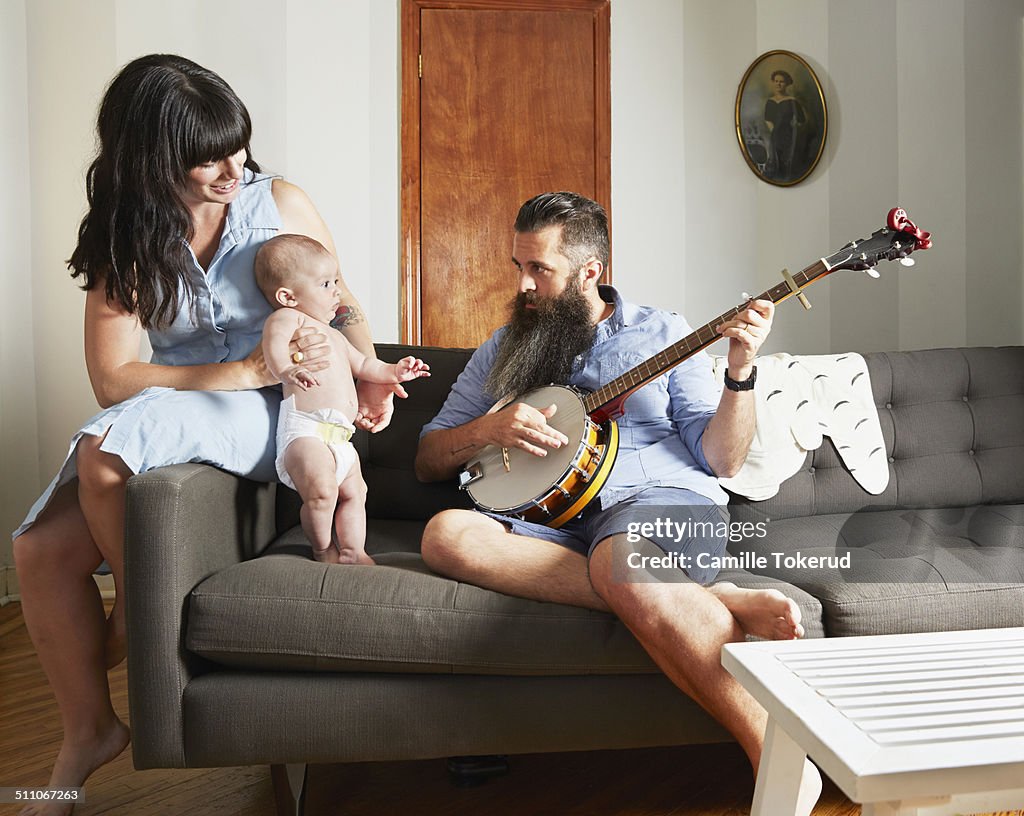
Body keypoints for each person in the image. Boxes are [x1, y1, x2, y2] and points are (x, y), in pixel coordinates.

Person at [11, 54, 399, 815]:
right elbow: (114, 378)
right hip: (197, 398)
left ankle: (135, 602)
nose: (236, 167)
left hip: (279, 412)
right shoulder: (126, 238)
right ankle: (86, 733)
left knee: (105, 449)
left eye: (239, 146)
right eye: (210, 156)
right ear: (153, 158)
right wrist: (237, 370)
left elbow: (340, 300)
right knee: (38, 550)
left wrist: (369, 368)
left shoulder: (280, 202)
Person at [414, 192, 822, 815]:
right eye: (518, 266)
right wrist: (488, 431)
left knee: (620, 557)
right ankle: (715, 600)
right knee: (445, 535)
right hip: (544, 525)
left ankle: (780, 756)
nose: (523, 285)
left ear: (590, 273)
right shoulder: (504, 348)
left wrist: (739, 371)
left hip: (657, 504)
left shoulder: (664, 334)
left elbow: (723, 460)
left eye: (539, 270)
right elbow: (428, 457)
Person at [255, 234, 429, 564]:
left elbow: (364, 365)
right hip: (306, 433)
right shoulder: (287, 319)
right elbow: (274, 347)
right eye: (325, 284)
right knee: (322, 494)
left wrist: (395, 371)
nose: (336, 290)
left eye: (335, 281)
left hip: (341, 439)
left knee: (355, 493)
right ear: (287, 296)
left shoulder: (335, 334)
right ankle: (323, 549)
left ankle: (353, 550)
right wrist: (285, 371)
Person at [764, 69, 806, 181]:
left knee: (787, 162)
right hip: (774, 136)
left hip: (789, 136)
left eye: (781, 81)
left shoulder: (792, 101)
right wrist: (774, 131)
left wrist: (793, 127)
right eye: (776, 81)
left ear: (786, 84)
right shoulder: (770, 102)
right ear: (773, 82)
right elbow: (767, 119)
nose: (778, 84)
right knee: (774, 161)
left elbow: (801, 120)